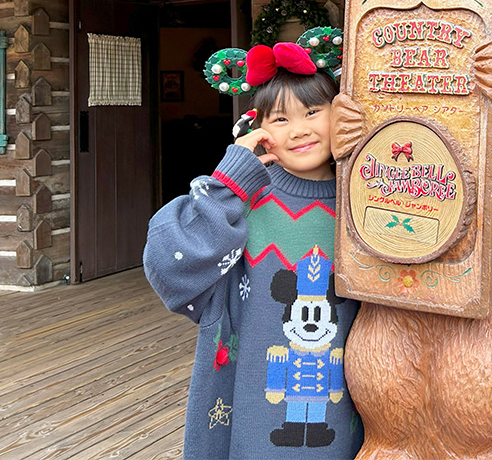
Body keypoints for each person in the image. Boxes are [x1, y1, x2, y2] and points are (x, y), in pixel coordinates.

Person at [143, 41, 362, 459]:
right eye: (280, 119)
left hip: (350, 411)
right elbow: (168, 266)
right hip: (249, 415)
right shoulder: (240, 202)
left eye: (313, 112)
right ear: (259, 129)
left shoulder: (366, 200)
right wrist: (228, 183)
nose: (299, 129)